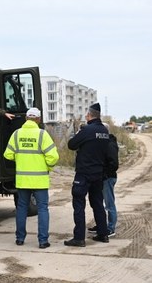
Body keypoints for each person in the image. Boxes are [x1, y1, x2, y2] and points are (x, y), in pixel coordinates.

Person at [3, 107, 59, 249]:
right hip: (40, 180)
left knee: (21, 208)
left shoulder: (16, 134)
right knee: (42, 209)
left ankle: (20, 239)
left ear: (26, 118)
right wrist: (48, 167)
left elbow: (8, 155)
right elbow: (53, 157)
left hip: (22, 180)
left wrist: (21, 159)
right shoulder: (42, 135)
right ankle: (43, 241)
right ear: (38, 119)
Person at [64, 103, 110, 247]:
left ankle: (79, 238)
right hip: (98, 173)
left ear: (90, 115)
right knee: (97, 203)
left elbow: (71, 145)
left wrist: (79, 132)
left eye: (86, 114)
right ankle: (103, 234)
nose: (85, 116)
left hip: (84, 173)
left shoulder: (87, 130)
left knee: (79, 203)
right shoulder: (104, 131)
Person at [88, 122, 119, 237]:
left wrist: (105, 174)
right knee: (99, 203)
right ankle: (101, 225)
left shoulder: (110, 144)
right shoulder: (104, 143)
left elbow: (114, 164)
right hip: (101, 178)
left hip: (107, 178)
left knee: (109, 204)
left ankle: (111, 228)